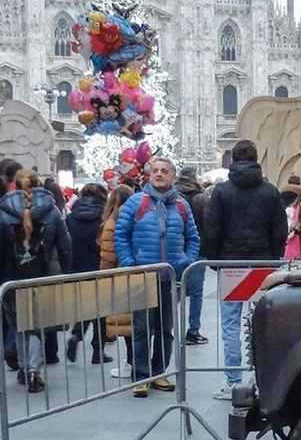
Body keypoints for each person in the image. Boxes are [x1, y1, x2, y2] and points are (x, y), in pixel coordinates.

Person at [201, 140, 287, 400]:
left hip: (232, 265)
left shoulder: (222, 192)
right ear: (256, 158)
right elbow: (279, 230)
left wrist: (215, 261)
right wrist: (273, 258)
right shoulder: (271, 192)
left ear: (232, 160)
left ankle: (233, 381)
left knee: (230, 325)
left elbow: (212, 228)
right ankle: (263, 379)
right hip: (262, 264)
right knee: (262, 322)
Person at [114, 158, 200, 397]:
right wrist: (130, 264)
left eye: (164, 171)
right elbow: (121, 235)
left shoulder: (181, 205)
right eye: (155, 171)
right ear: (149, 176)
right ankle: (141, 376)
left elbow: (193, 237)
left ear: (172, 176)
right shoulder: (135, 202)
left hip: (169, 278)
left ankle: (159, 372)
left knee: (165, 328)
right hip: (142, 276)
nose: (159, 174)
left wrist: (186, 260)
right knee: (141, 327)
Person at [0, 169, 71, 393]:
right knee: (36, 325)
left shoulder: (4, 214)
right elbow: (64, 245)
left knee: (19, 324)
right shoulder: (52, 211)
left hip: (12, 277)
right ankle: (34, 370)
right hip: (42, 274)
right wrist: (66, 271)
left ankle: (25, 367)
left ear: (14, 185)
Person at [65, 182, 110, 363]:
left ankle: (77, 334)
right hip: (99, 266)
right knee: (101, 310)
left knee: (86, 307)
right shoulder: (105, 217)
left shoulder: (71, 218)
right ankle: (98, 350)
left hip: (77, 268)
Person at [98, 184, 135, 371]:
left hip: (119, 275)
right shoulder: (137, 216)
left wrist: (104, 274)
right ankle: (137, 361)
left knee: (127, 323)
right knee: (136, 321)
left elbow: (108, 253)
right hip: (137, 274)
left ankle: (131, 362)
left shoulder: (112, 221)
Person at [174, 166, 210, 345]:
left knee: (173, 291)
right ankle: (193, 330)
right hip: (197, 250)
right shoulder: (201, 198)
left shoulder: (172, 196)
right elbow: (208, 225)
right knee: (196, 293)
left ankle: (168, 327)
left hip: (175, 250)